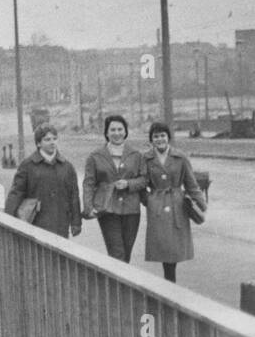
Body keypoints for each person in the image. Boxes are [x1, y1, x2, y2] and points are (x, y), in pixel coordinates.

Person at [140, 122, 206, 283]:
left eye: (163, 135)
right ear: (151, 140)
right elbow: (141, 183)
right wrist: (148, 200)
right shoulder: (146, 159)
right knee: (164, 248)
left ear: (168, 137)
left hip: (177, 205)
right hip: (157, 207)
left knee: (174, 250)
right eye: (156, 136)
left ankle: (170, 284)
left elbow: (191, 184)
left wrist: (201, 204)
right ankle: (170, 284)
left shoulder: (180, 157)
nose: (160, 139)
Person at [83, 114, 148, 261]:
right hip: (107, 209)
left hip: (131, 210)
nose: (117, 133)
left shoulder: (136, 155)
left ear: (125, 131)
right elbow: (89, 183)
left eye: (120, 129)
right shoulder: (95, 156)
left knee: (126, 254)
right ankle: (118, 283)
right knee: (116, 253)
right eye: (112, 130)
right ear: (106, 133)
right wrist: (88, 207)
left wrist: (128, 184)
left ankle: (119, 283)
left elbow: (144, 179)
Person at [6, 124, 83, 239]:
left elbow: (73, 196)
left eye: (54, 139)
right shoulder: (27, 165)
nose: (52, 142)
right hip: (35, 222)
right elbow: (17, 193)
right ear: (38, 143)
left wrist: (76, 222)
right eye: (47, 139)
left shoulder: (67, 167)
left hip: (60, 223)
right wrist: (8, 218)